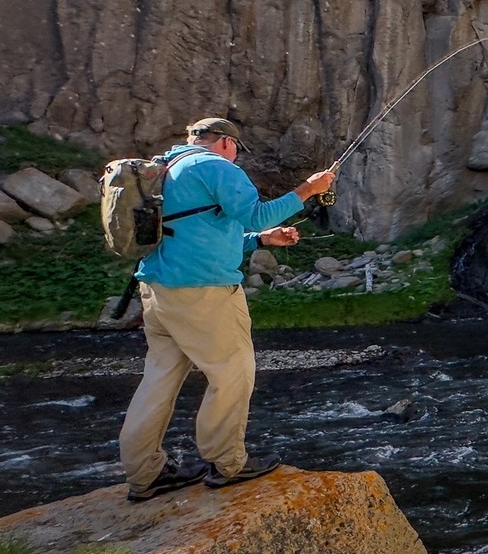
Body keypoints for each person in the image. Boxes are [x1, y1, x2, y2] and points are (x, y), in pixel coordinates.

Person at [120, 117, 335, 502]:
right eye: (237, 149)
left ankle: (144, 473)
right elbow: (255, 213)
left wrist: (261, 240)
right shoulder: (216, 166)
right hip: (203, 292)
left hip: (156, 289)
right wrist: (309, 189)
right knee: (232, 373)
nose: (237, 157)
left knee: (159, 379)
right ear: (225, 142)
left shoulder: (165, 168)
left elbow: (197, 229)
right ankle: (228, 464)